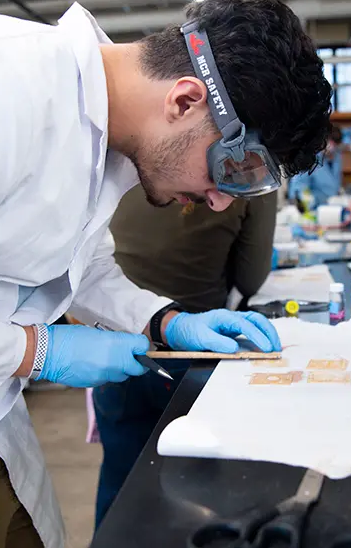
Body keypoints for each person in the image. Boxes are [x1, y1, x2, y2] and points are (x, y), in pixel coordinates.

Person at [0, 0, 331, 548]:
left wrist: (163, 322)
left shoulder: (101, 131)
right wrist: (41, 351)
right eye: (232, 170)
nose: (222, 202)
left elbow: (84, 266)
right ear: (186, 100)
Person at [92, 186, 277, 531]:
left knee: (121, 485)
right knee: (191, 494)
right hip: (187, 358)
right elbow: (250, 278)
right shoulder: (251, 175)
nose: (216, 200)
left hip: (116, 342)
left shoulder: (131, 162)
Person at [288, 126, 344, 209]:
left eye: (335, 142)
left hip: (331, 209)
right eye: (330, 141)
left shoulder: (337, 158)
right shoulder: (310, 159)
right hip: (312, 209)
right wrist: (310, 201)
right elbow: (298, 188)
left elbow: (334, 186)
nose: (332, 146)